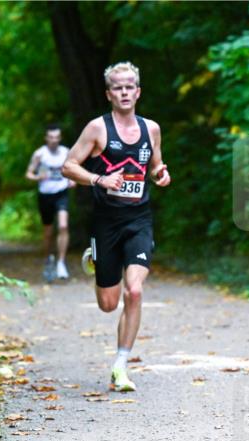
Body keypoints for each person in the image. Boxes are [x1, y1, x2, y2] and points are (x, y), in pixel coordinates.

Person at [62, 61, 170, 392]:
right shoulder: (97, 128)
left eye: (129, 87)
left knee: (134, 291)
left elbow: (154, 165)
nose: (124, 92)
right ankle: (96, 259)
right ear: (109, 94)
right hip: (106, 222)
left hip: (139, 219)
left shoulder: (151, 128)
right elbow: (68, 166)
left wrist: (160, 174)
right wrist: (100, 178)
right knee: (108, 305)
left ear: (137, 92)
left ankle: (121, 366)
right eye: (118, 87)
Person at [26, 124, 75, 281]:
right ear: (46, 138)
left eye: (56, 137)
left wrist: (73, 181)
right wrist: (37, 177)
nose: (54, 140)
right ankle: (48, 259)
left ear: (60, 138)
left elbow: (74, 171)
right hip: (45, 195)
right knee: (48, 232)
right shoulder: (40, 154)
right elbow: (28, 173)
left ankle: (61, 262)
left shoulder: (66, 152)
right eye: (51, 137)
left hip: (61, 193)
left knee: (63, 225)